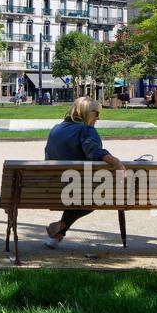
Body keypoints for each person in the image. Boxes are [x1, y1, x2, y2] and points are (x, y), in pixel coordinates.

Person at [43, 96, 126, 247]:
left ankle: (58, 234)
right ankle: (61, 225)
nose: (98, 118)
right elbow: (95, 152)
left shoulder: (56, 129)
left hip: (55, 188)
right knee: (96, 196)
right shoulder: (85, 129)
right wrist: (117, 163)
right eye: (97, 113)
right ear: (87, 112)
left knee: (82, 192)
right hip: (76, 188)